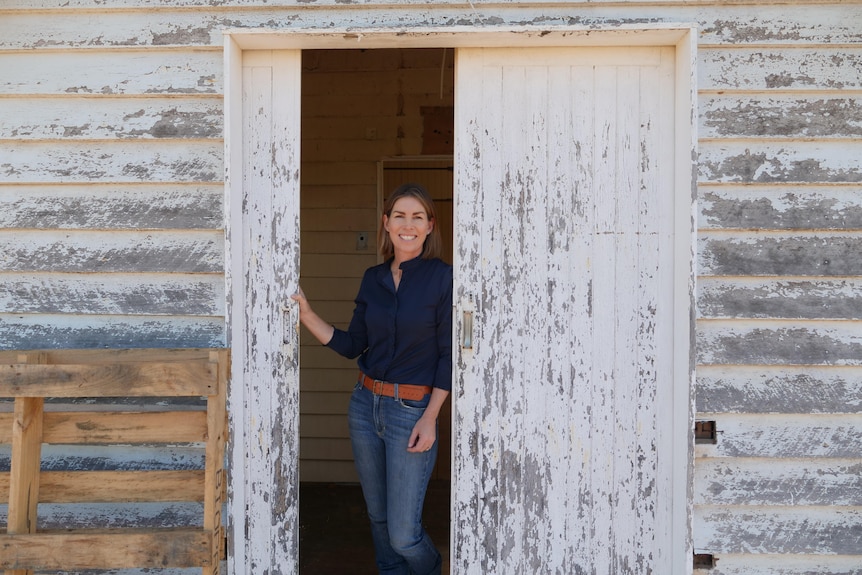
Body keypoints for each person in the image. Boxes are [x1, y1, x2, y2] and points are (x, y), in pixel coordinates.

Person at [292, 183, 452, 575]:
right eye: (399, 216)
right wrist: (307, 314)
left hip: (411, 412)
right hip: (365, 407)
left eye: (417, 217)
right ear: (386, 223)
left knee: (404, 534)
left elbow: (449, 355)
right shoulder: (373, 278)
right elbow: (353, 345)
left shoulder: (443, 279)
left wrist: (431, 417)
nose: (408, 225)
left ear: (430, 226)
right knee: (378, 519)